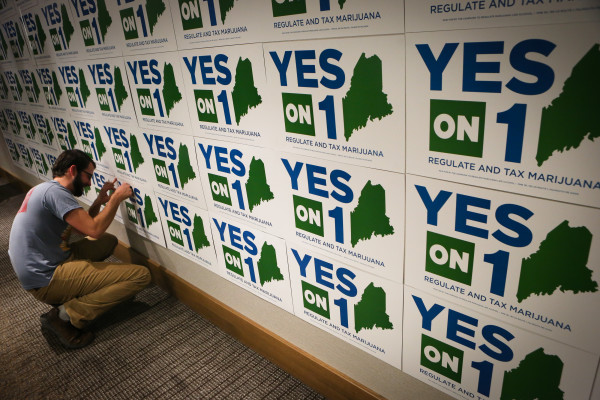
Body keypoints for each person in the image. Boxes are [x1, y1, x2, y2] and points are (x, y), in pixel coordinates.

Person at [8, 149, 151, 349]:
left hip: (45, 263)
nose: (89, 183)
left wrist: (100, 201)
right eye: (88, 176)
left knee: (109, 242)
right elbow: (94, 229)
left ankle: (75, 291)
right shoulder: (56, 193)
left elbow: (81, 227)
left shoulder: (48, 190)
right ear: (73, 170)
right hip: (46, 277)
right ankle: (64, 316)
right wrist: (117, 198)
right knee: (141, 276)